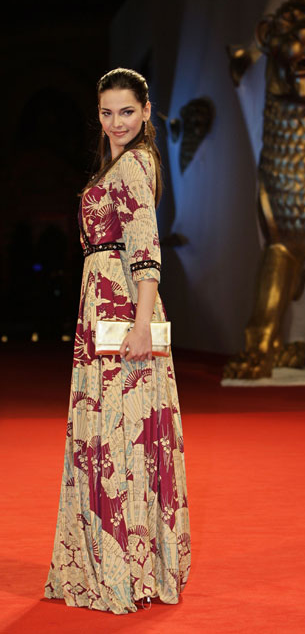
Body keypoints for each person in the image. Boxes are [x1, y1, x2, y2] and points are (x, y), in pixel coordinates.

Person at [44, 68, 191, 614]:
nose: (116, 122)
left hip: (122, 310)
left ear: (147, 111)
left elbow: (147, 252)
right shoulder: (121, 164)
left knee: (118, 438)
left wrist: (141, 326)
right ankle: (124, 563)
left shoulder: (134, 165)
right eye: (107, 113)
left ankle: (120, 569)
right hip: (104, 305)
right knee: (115, 437)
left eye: (127, 111)